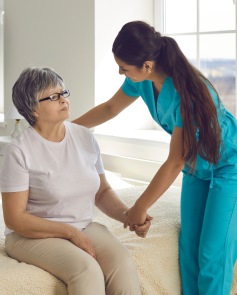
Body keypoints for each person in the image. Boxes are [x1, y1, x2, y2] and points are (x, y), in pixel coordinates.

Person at [73, 21, 237, 295]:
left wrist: (140, 205)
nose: (120, 72)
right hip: (197, 169)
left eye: (124, 68)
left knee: (212, 254)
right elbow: (111, 107)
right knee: (189, 250)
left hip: (228, 167)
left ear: (147, 65)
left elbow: (174, 161)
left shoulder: (191, 93)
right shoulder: (142, 81)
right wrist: (66, 131)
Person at [0, 66, 151, 295]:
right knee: (86, 270)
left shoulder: (85, 137)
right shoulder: (19, 151)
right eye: (53, 96)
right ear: (33, 109)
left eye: (63, 93)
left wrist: (128, 215)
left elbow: (101, 192)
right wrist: (70, 233)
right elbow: (15, 219)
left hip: (83, 226)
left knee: (123, 263)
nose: (63, 100)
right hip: (30, 236)